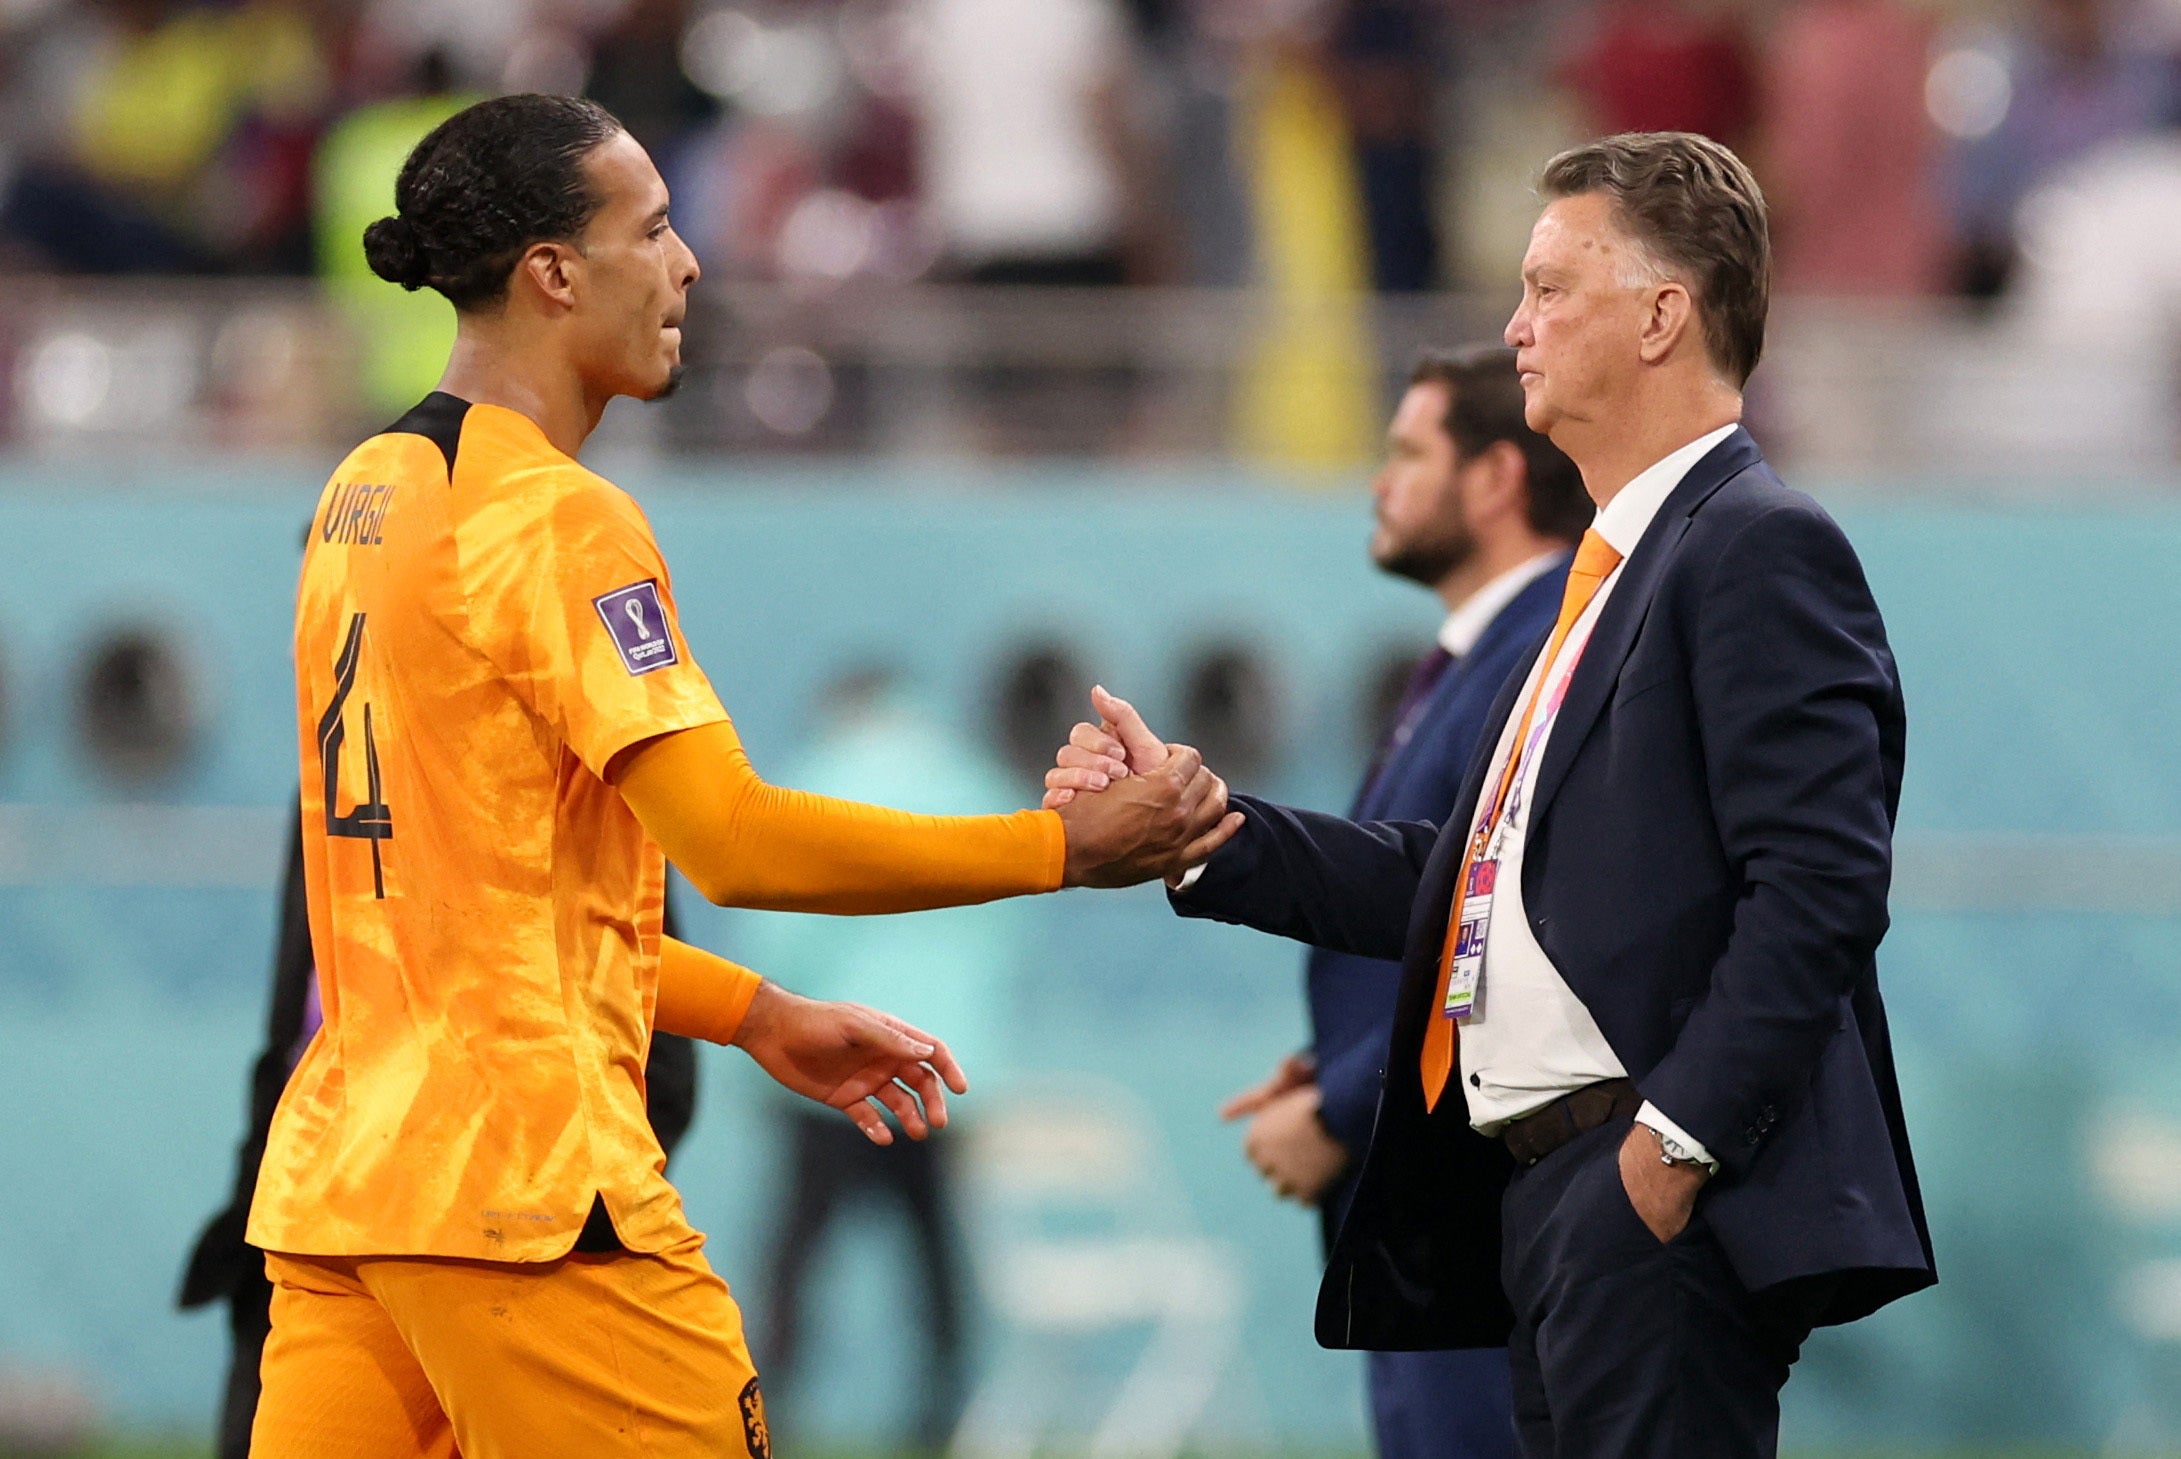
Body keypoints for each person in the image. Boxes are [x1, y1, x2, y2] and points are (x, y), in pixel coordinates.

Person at [246, 93, 1237, 1459]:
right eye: (650, 229)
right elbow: (739, 841)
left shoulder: (365, 491)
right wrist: (1061, 847)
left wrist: (752, 1006)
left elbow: (454, 903)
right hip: (525, 1195)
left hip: (348, 1190)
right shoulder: (557, 515)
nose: (690, 261)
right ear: (553, 273)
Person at [1047, 131, 1934, 1458]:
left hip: (1641, 1193)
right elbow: (1464, 879)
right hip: (1553, 1193)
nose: (1514, 327)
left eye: (1548, 288)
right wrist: (1200, 829)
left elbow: (1819, 883)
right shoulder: (1615, 572)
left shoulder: (1755, 543)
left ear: (1660, 314)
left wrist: (1669, 1150)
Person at [1186, 345, 1587, 1459]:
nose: (1380, 481)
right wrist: (1336, 1064)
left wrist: (1343, 1110)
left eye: (1409, 452)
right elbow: (1424, 912)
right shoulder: (1477, 656)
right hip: (1433, 1190)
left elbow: (1510, 934)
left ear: (1497, 479)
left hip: (1477, 1198)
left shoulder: (1541, 657)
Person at [175, 814, 699, 1459]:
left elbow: (653, 1055)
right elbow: (299, 1028)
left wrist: (547, 1231)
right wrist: (257, 1200)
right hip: (316, 1232)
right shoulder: (338, 771)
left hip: (504, 1259)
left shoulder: (567, 789)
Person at [747, 670, 1030, 1451]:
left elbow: (777, 937)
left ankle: (766, 1411)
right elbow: (1000, 936)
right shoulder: (971, 783)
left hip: (826, 1073)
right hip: (940, 1067)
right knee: (934, 1254)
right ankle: (942, 1417)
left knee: (796, 1260)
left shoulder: (810, 783)